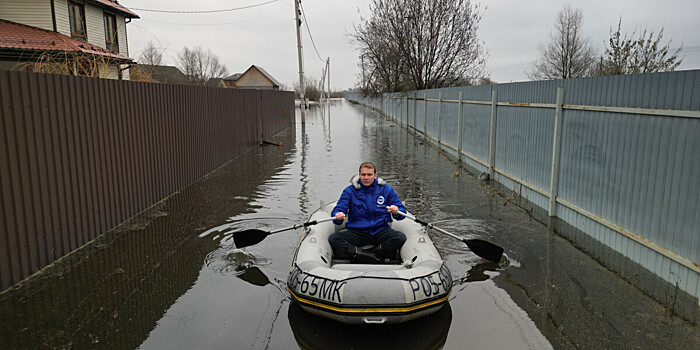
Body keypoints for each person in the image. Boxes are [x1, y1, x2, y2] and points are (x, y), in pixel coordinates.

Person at [329, 162, 407, 263]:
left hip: (380, 231)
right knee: (334, 239)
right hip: (357, 232)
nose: (366, 178)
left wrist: (396, 211)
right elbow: (340, 208)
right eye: (363, 175)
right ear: (359, 175)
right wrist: (338, 214)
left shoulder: (386, 190)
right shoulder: (349, 191)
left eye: (369, 175)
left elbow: (401, 213)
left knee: (399, 237)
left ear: (375, 175)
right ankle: (372, 256)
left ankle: (363, 254)